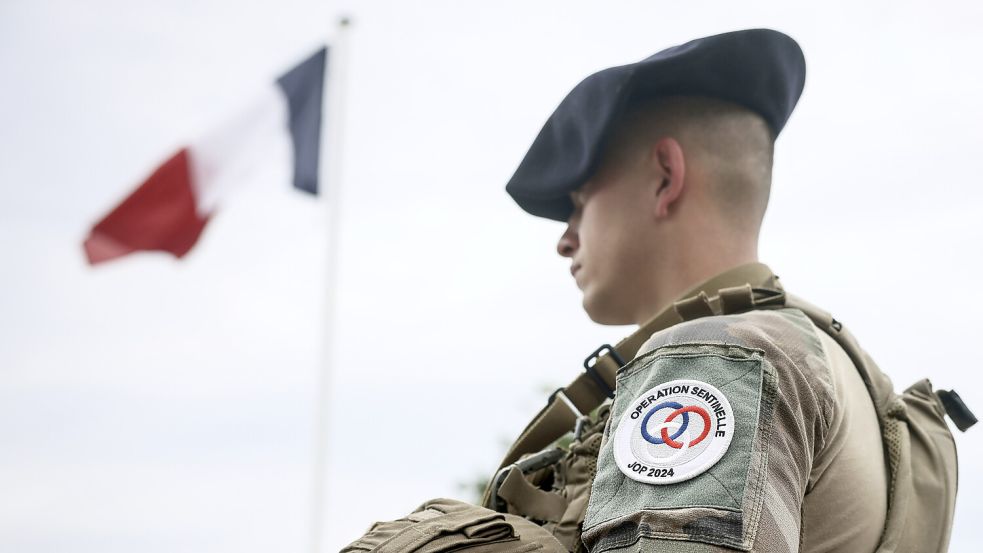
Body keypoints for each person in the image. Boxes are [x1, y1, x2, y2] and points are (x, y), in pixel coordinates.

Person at [493, 28, 946, 553]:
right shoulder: (818, 352)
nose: (565, 240)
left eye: (578, 202)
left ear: (665, 177)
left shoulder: (715, 357)